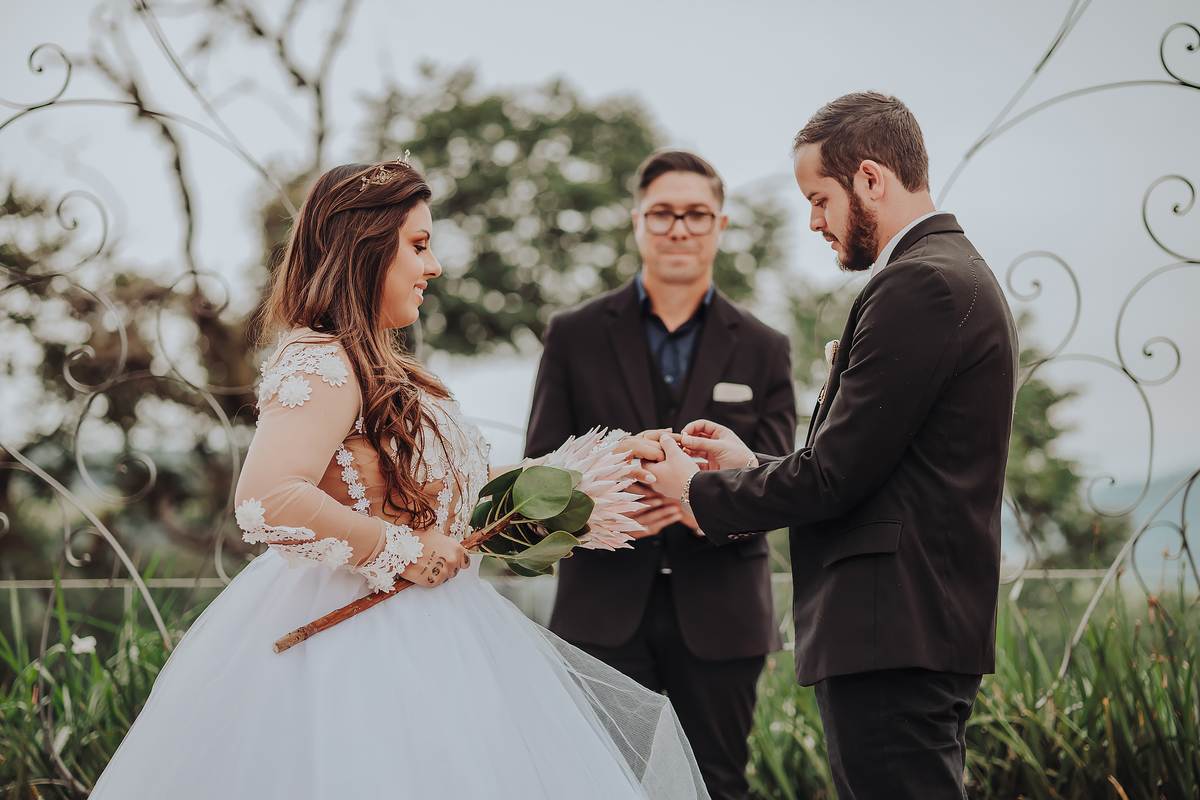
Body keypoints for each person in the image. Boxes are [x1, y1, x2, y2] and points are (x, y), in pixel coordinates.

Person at [90, 160, 710, 800]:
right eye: (418, 245)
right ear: (363, 250)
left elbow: (449, 490)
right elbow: (268, 498)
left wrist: (605, 463)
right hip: (354, 647)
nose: (433, 266)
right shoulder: (321, 361)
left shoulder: (384, 366)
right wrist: (405, 552)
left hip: (442, 634)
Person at [644, 94, 1019, 800]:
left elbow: (834, 476)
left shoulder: (922, 285)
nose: (814, 221)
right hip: (904, 629)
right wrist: (752, 466)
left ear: (871, 179)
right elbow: (872, 466)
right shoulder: (943, 275)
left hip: (892, 630)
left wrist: (692, 493)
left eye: (820, 199)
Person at [525, 150, 796, 800]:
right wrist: (610, 491)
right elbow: (539, 470)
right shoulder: (574, 334)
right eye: (664, 213)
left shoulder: (764, 345)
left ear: (721, 225)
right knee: (600, 784)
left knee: (718, 785)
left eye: (696, 214)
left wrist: (701, 501)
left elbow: (781, 479)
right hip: (601, 609)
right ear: (637, 222)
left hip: (723, 612)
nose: (680, 228)